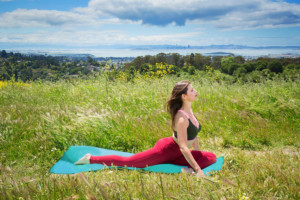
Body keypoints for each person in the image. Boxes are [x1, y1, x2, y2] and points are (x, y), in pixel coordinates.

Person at [75, 80, 216, 177]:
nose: (196, 91)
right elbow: (184, 147)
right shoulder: (181, 117)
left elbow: (194, 135)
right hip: (167, 150)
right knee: (130, 162)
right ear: (184, 96)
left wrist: (198, 156)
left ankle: (185, 168)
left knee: (211, 157)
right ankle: (91, 158)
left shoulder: (190, 112)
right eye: (192, 90)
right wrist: (198, 169)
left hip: (178, 152)